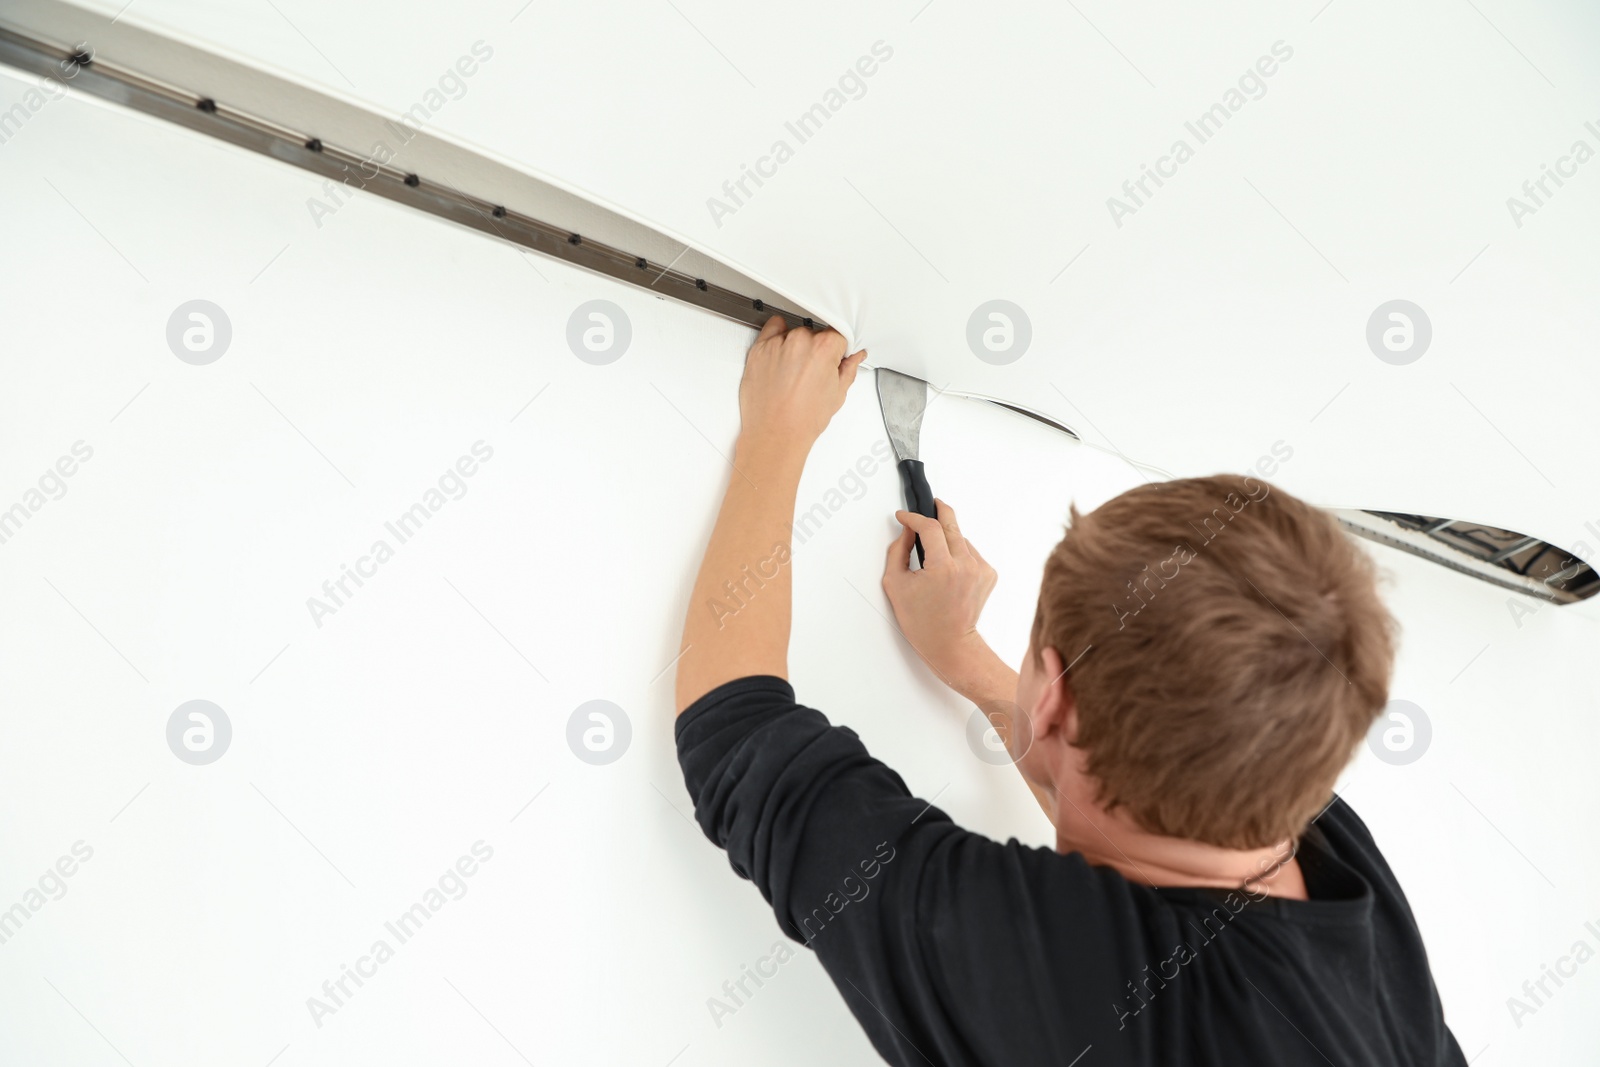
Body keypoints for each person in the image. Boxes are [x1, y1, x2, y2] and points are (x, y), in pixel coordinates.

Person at [673, 317, 1465, 1066]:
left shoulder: (1070, 987)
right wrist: (967, 658)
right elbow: (1163, 817)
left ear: (1051, 693)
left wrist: (777, 433)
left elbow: (736, 737)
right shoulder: (1338, 878)